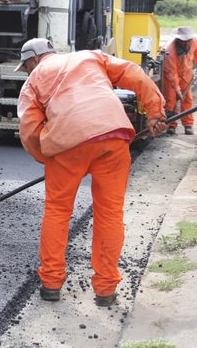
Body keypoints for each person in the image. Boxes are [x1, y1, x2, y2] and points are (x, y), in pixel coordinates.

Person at [16, 38, 167, 307]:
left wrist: (47, 157)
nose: (27, 71)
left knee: (57, 211)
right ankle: (106, 290)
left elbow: (29, 128)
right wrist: (154, 112)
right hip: (113, 136)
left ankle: (51, 283)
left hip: (66, 147)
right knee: (109, 212)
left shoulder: (33, 80)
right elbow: (134, 73)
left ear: (33, 60)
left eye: (26, 66)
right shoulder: (89, 57)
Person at [161, 26, 196, 135]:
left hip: (186, 74)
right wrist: (177, 90)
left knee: (187, 99)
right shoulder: (170, 51)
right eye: (184, 41)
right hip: (171, 77)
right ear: (179, 40)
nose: (187, 44)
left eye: (188, 41)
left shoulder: (194, 42)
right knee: (171, 100)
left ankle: (188, 125)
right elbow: (172, 73)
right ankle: (171, 125)